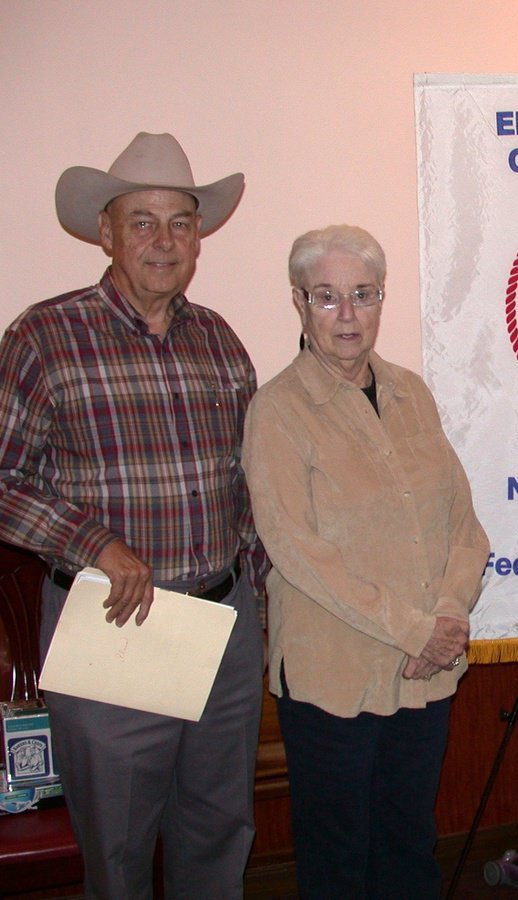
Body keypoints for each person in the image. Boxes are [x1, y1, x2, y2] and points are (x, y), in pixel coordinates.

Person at [0, 132, 267, 898]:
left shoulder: (218, 341)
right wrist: (94, 542)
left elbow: (248, 485)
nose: (164, 240)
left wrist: (260, 606)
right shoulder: (44, 337)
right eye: (142, 221)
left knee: (218, 834)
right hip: (115, 626)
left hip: (222, 625)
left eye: (180, 222)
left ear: (199, 237)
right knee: (117, 852)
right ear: (106, 232)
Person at [242, 224, 489, 899]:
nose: (347, 315)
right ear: (299, 302)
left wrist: (446, 617)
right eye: (327, 296)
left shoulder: (412, 393)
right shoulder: (278, 411)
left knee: (410, 847)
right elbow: (296, 548)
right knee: (339, 864)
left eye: (363, 294)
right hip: (334, 674)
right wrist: (416, 630)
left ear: (382, 298)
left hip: (424, 671)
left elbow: (463, 524)